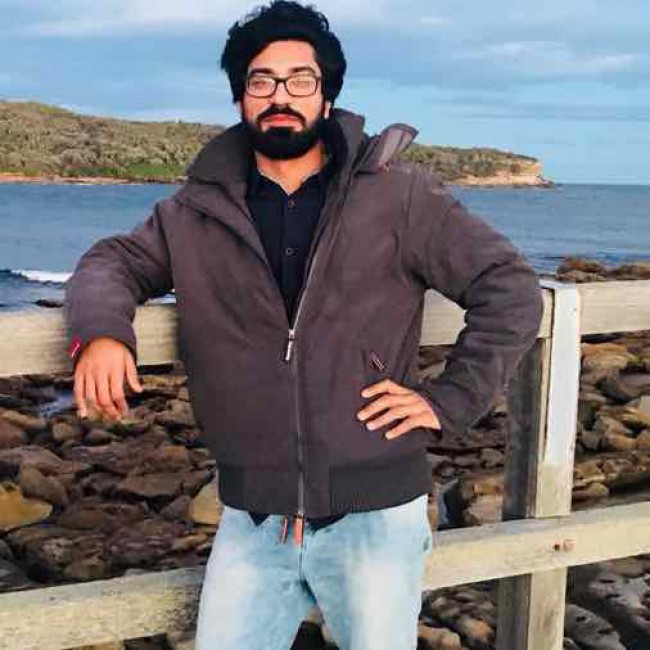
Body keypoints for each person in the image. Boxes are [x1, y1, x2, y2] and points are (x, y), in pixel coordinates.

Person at [64, 2, 544, 648]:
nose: (280, 96)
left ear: (327, 94)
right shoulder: (194, 213)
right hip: (253, 520)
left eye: (300, 79)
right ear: (241, 97)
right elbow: (111, 263)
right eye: (261, 80)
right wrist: (101, 333)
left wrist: (449, 399)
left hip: (375, 518)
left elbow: (509, 286)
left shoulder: (397, 197)